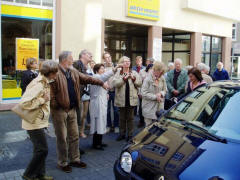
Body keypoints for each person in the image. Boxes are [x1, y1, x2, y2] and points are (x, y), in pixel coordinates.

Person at [50, 51, 107, 173]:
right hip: (59, 111)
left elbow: (87, 78)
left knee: (74, 136)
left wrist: (101, 83)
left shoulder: (73, 71)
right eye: (71, 58)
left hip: (72, 109)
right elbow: (51, 92)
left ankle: (75, 159)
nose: (73, 60)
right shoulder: (55, 72)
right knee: (62, 138)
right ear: (65, 60)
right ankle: (63, 162)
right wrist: (55, 105)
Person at [21, 60, 58, 180]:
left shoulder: (45, 81)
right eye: (55, 72)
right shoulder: (38, 84)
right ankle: (28, 174)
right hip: (33, 122)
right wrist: (43, 100)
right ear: (50, 72)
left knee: (39, 149)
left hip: (39, 120)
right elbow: (24, 103)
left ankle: (40, 174)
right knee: (42, 150)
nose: (57, 74)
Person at [89, 63, 121, 150]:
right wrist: (114, 69)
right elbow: (104, 79)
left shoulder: (101, 78)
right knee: (97, 123)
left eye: (104, 68)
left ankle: (99, 142)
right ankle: (96, 144)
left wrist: (106, 93)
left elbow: (106, 87)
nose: (103, 70)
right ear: (96, 70)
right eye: (101, 68)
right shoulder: (96, 77)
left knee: (102, 122)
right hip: (97, 103)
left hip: (101, 102)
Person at [112, 56, 142, 142]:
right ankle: (122, 134)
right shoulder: (118, 73)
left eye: (128, 61)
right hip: (121, 99)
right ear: (122, 63)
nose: (127, 63)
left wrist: (134, 79)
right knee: (122, 118)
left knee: (130, 118)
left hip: (131, 99)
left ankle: (130, 135)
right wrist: (123, 79)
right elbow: (115, 84)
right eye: (125, 61)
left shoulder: (134, 73)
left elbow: (139, 83)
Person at [73, 50, 93, 138]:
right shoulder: (77, 64)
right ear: (83, 55)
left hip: (85, 92)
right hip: (78, 94)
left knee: (84, 115)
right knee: (78, 116)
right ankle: (75, 135)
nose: (91, 56)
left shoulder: (87, 67)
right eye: (89, 54)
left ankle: (80, 132)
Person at [141, 62, 167, 126]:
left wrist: (161, 94)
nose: (161, 74)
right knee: (148, 128)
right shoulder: (147, 79)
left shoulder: (162, 78)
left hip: (159, 107)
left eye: (162, 73)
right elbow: (143, 93)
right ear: (155, 70)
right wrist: (155, 97)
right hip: (149, 107)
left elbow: (165, 90)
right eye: (160, 72)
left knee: (158, 127)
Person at [103, 52, 120, 133]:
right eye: (106, 57)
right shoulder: (103, 68)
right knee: (107, 110)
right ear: (104, 59)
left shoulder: (116, 67)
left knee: (116, 110)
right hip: (106, 91)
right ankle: (108, 126)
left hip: (115, 91)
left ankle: (116, 125)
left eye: (109, 57)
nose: (108, 59)